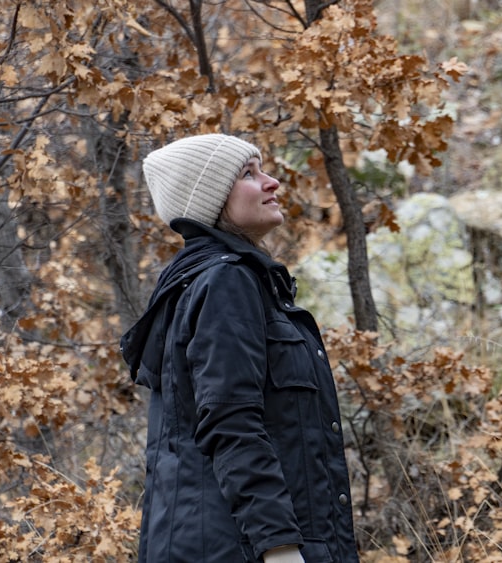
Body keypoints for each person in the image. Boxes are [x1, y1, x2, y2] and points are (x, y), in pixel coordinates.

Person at [120, 134, 359, 563]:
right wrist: (281, 547)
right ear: (210, 198)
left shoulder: (207, 281)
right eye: (248, 174)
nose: (272, 183)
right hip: (242, 549)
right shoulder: (225, 282)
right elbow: (232, 423)